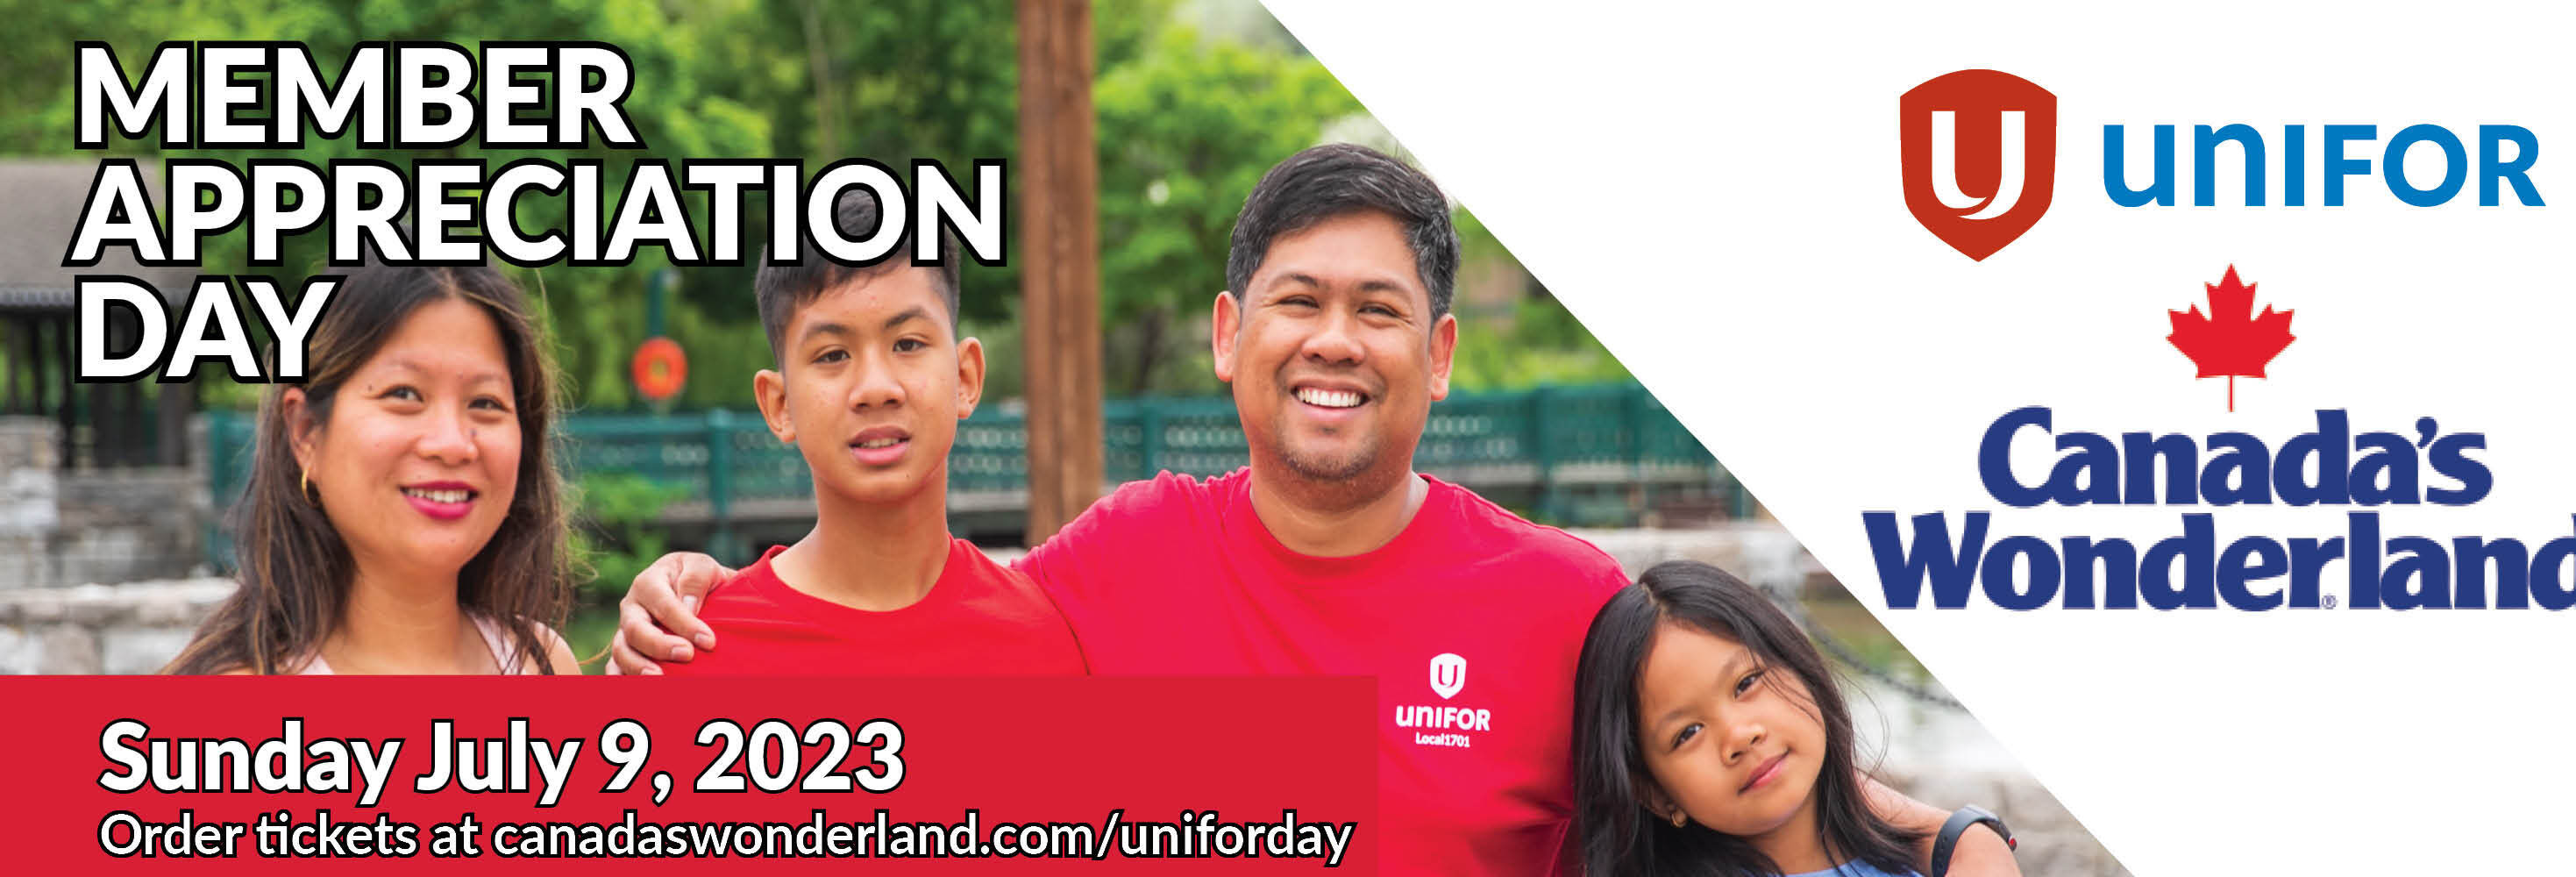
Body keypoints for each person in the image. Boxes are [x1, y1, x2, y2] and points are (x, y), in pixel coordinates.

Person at [608, 144, 1958, 874]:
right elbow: (905, 637)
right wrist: (704, 595)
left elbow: (1763, 768)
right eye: (1297, 304)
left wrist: (1964, 847)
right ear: (1226, 336)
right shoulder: (1121, 557)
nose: (1333, 342)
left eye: (1377, 313)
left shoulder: (1565, 595)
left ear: (1435, 356)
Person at [658, 193, 1083, 677]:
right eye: (832, 355)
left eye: (908, 344)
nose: (876, 388)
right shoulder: (693, 649)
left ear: (965, 377)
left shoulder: (1039, 640)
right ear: (779, 406)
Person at [167, 262, 578, 675]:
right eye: (403, 394)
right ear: (306, 432)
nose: (452, 444)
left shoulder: (540, 663)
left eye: (485, 403)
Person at [1574, 561, 2018, 877]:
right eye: (1687, 732)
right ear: (1654, 793)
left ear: (1798, 664)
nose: (1740, 736)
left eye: (1746, 683)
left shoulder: (1918, 856)